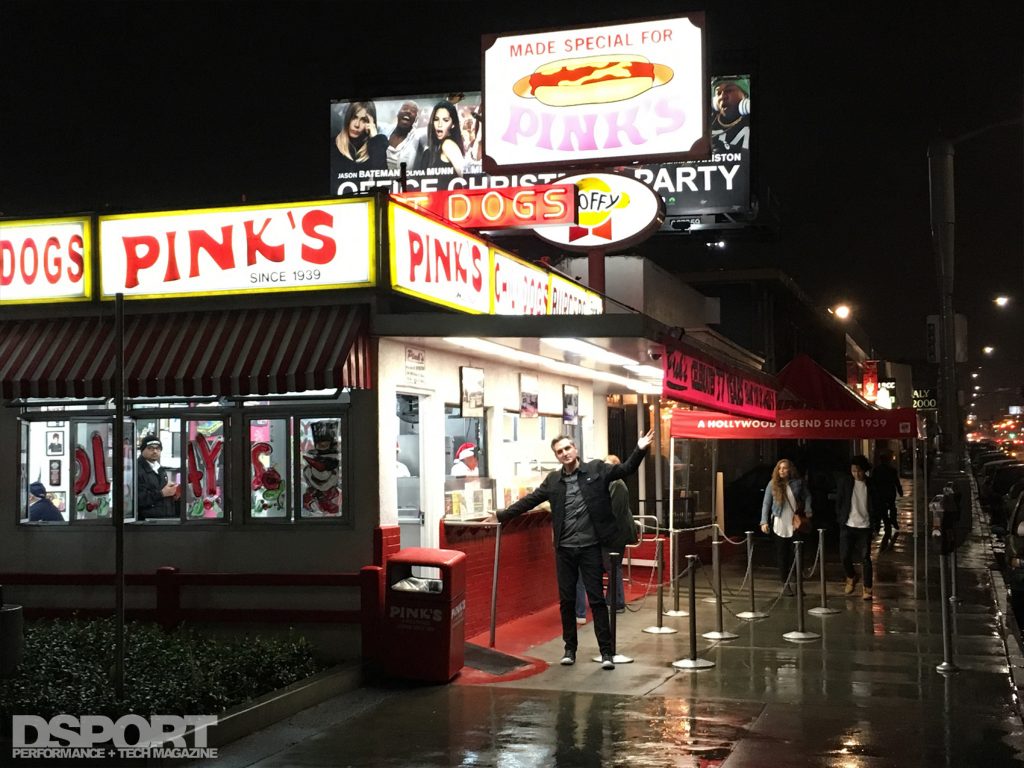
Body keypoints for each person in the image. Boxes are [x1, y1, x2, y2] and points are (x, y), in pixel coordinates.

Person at [485, 429, 655, 670]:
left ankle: (606, 652)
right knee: (566, 601)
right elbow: (530, 501)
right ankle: (569, 649)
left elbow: (625, 469)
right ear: (557, 456)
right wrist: (502, 515)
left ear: (575, 450)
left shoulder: (597, 470)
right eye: (559, 451)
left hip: (590, 548)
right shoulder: (553, 481)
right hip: (564, 549)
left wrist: (640, 448)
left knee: (596, 600)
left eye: (567, 448)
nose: (564, 453)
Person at [575, 454, 636, 621]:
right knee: (611, 567)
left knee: (612, 567)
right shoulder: (610, 484)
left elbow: (613, 513)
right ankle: (613, 600)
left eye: (609, 466)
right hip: (613, 533)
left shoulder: (617, 485)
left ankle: (617, 602)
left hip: (615, 535)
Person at [760, 458, 812, 595]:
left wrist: (808, 509)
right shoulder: (773, 484)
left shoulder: (798, 483)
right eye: (780, 468)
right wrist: (764, 521)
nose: (782, 470)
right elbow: (766, 503)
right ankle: (785, 584)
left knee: (798, 555)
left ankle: (799, 585)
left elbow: (807, 496)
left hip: (794, 522)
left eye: (785, 468)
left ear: (790, 470)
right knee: (782, 555)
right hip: (779, 523)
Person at [836, 454, 880, 600]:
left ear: (865, 470)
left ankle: (867, 588)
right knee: (844, 556)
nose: (856, 474)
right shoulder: (845, 482)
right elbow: (840, 502)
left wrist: (876, 525)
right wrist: (841, 519)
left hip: (865, 526)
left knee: (865, 558)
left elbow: (876, 506)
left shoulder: (871, 485)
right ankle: (851, 576)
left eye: (859, 471)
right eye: (853, 470)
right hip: (848, 525)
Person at [331, 101, 388, 178]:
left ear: (371, 123)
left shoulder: (379, 145)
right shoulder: (333, 145)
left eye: (364, 120)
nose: (357, 125)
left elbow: (382, 180)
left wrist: (375, 139)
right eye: (354, 117)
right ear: (348, 118)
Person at [415, 100, 465, 176]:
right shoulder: (431, 150)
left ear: (453, 124)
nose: (439, 124)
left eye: (445, 120)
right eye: (436, 119)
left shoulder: (448, 144)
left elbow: (465, 177)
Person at [136, 434, 178, 520]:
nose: (155, 451)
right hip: (146, 522)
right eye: (150, 448)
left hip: (164, 518)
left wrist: (173, 493)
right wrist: (162, 493)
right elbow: (138, 499)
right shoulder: (137, 469)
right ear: (142, 450)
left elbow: (161, 490)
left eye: (158, 448)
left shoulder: (159, 468)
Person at [872, 450, 904, 550]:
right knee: (891, 507)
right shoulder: (891, 470)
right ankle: (892, 522)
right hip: (889, 493)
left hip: (881, 494)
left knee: (882, 510)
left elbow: (873, 482)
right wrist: (900, 491)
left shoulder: (876, 470)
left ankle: (885, 524)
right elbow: (896, 482)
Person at [710, 75, 750, 152]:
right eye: (718, 93)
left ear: (745, 95)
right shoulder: (708, 121)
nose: (722, 96)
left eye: (729, 90)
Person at [383, 100, 424, 172]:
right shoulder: (384, 130)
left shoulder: (417, 136)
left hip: (404, 182)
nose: (408, 111)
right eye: (405, 108)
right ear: (398, 113)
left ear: (416, 119)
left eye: (413, 111)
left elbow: (432, 130)